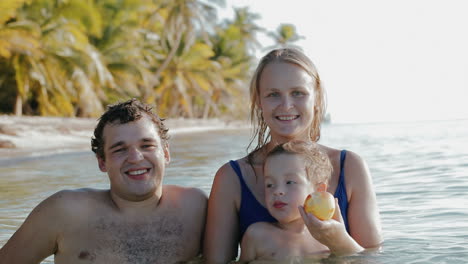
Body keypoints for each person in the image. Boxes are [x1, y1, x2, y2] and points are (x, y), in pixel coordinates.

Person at [204, 47, 383, 263]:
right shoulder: (231, 178)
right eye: (273, 95)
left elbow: (374, 258)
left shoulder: (350, 167)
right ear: (259, 101)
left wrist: (338, 241)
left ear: (316, 98)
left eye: (298, 93)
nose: (286, 106)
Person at [0, 99, 207, 264]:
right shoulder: (65, 212)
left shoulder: (194, 207)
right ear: (102, 162)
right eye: (120, 149)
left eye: (147, 145)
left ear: (166, 154)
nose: (135, 157)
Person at [239, 140, 334, 262]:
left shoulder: (328, 239)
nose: (277, 191)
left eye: (289, 182)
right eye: (269, 184)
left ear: (318, 190)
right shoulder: (257, 235)